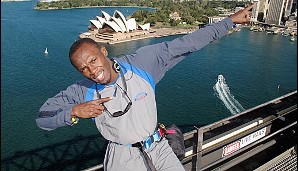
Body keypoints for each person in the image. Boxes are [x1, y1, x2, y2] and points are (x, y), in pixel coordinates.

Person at [36, 4, 254, 171]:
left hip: (159, 147)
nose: (92, 71)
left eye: (93, 60)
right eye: (83, 69)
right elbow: (42, 119)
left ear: (103, 51)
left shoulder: (140, 63)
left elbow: (187, 43)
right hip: (122, 158)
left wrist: (230, 22)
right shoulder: (83, 91)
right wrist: (73, 112)